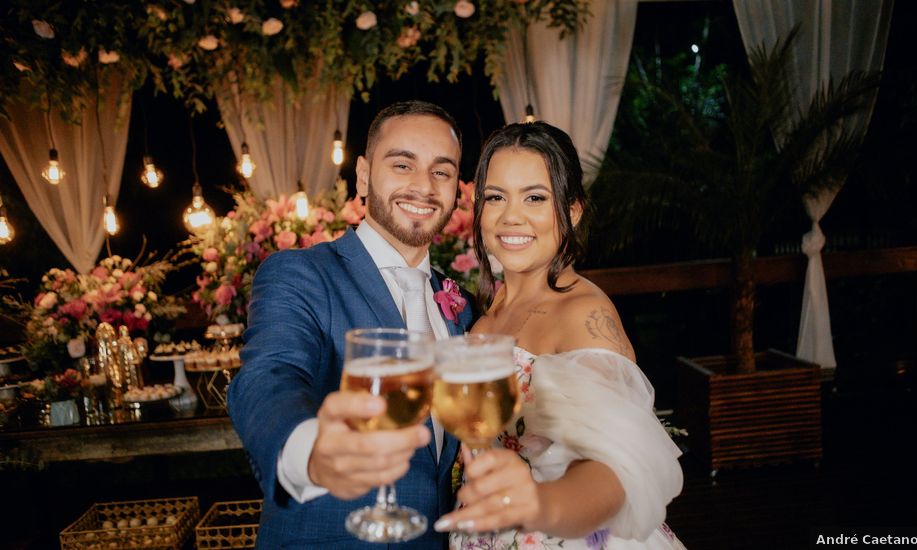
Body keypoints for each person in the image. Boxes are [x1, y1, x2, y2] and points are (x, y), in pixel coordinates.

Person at [228, 100, 476, 548]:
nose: (423, 186)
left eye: (442, 171)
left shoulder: (460, 305)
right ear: (363, 175)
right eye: (402, 164)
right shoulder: (301, 274)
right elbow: (269, 375)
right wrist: (311, 450)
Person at [433, 122, 686, 549]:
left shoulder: (583, 313)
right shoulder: (488, 314)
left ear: (572, 211)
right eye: (495, 197)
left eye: (535, 197)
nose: (511, 215)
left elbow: (613, 471)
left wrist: (538, 505)